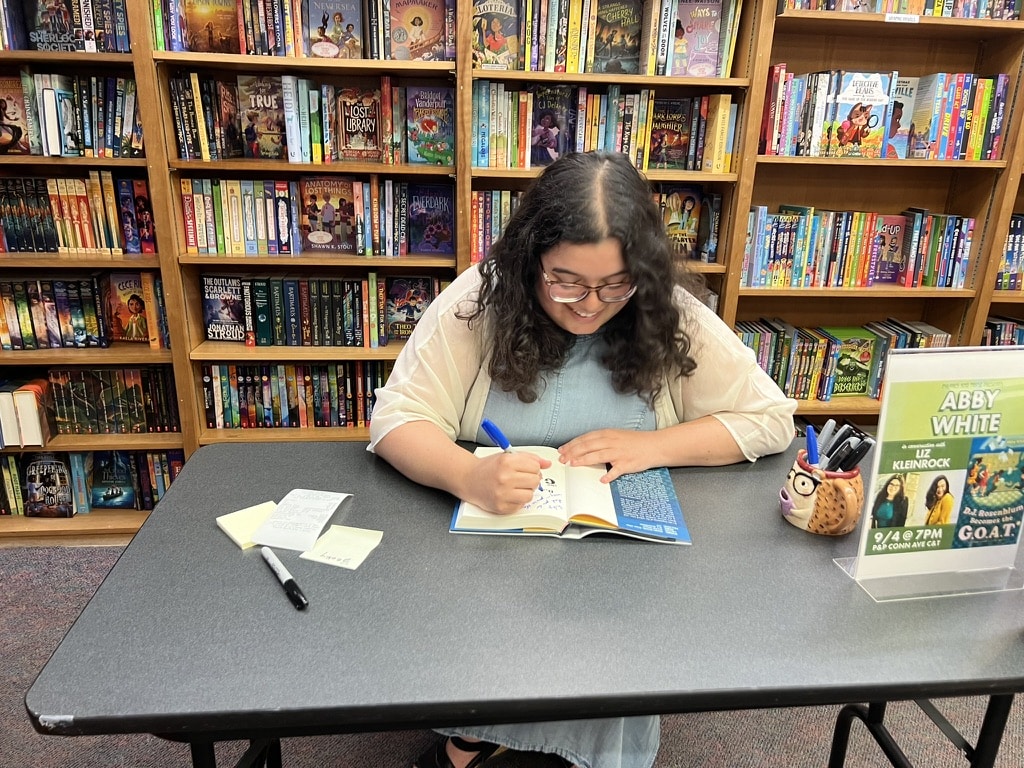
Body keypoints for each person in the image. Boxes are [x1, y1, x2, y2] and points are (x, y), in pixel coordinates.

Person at [368, 151, 796, 768]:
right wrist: (468, 475)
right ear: (529, 260)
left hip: (619, 573)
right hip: (491, 558)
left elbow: (770, 418)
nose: (590, 305)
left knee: (610, 647)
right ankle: (477, 731)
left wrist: (654, 446)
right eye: (565, 280)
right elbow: (395, 418)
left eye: (613, 284)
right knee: (492, 645)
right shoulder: (477, 301)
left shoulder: (664, 307)